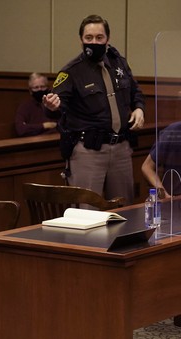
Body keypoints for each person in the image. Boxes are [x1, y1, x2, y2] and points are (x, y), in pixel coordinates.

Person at [43, 14, 145, 204]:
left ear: (108, 39)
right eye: (89, 38)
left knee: (125, 209)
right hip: (89, 151)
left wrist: (139, 108)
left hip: (121, 148)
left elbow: (135, 92)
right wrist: (52, 106)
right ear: (81, 40)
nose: (94, 42)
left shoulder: (118, 63)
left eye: (99, 37)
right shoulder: (71, 71)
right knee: (86, 212)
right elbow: (55, 105)